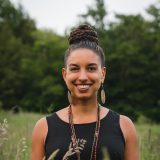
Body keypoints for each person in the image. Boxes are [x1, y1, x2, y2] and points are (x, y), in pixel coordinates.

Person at [32, 24, 139, 160]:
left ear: (103, 74)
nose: (82, 77)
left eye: (91, 68)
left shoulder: (125, 126)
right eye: (75, 68)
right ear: (65, 75)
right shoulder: (44, 127)